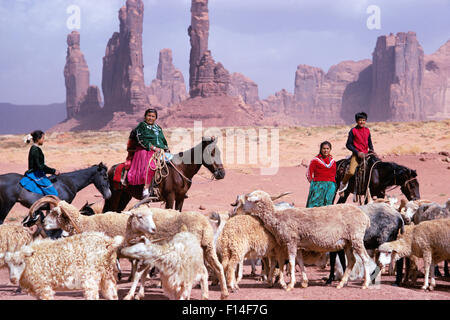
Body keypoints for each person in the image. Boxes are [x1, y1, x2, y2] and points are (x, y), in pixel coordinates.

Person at [127, 108, 169, 198]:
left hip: (159, 151)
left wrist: (166, 148)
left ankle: (173, 188)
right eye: (149, 116)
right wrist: (154, 148)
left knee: (172, 163)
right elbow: (142, 140)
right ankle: (146, 189)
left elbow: (163, 140)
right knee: (151, 166)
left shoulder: (158, 128)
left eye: (153, 116)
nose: (150, 118)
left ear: (156, 118)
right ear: (145, 116)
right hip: (145, 150)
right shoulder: (141, 126)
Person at [338, 111, 375, 197]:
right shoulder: (353, 131)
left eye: (363, 120)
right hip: (357, 154)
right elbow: (348, 144)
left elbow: (369, 142)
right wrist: (357, 152)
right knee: (351, 172)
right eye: (360, 120)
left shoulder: (367, 130)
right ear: (356, 121)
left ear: (365, 121)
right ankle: (342, 184)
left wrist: (372, 150)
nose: (361, 122)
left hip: (367, 154)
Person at [20, 130, 60, 196]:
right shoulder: (35, 149)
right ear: (38, 139)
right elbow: (40, 166)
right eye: (43, 138)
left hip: (36, 172)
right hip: (36, 173)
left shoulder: (34, 148)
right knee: (54, 194)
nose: (43, 140)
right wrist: (53, 171)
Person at [306, 141, 336, 208]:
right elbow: (309, 173)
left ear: (330, 149)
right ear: (321, 149)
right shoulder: (315, 160)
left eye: (327, 149)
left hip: (330, 186)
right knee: (315, 205)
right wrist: (314, 184)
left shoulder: (333, 161)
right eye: (324, 148)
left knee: (328, 205)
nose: (326, 150)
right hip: (318, 186)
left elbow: (334, 174)